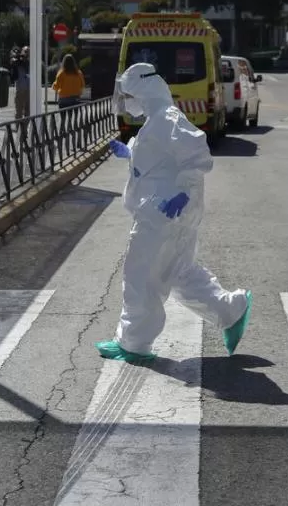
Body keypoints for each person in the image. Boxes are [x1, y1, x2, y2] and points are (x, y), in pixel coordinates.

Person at [97, 62, 252, 363]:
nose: (128, 102)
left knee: (140, 273)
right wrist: (129, 154)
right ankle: (231, 310)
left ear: (144, 94)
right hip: (166, 212)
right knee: (179, 273)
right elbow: (160, 159)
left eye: (130, 96)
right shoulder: (156, 121)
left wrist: (183, 192)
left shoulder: (167, 118)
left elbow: (195, 155)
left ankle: (134, 342)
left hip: (163, 213)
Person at [12, 46, 31, 118]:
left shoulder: (31, 63)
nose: (27, 54)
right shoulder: (18, 62)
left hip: (29, 91)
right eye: (26, 52)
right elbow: (13, 62)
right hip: (20, 90)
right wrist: (18, 56)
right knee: (19, 113)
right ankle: (17, 128)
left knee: (28, 112)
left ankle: (24, 128)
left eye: (28, 52)